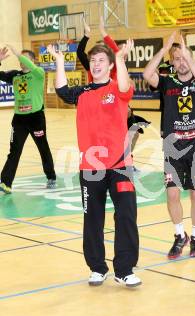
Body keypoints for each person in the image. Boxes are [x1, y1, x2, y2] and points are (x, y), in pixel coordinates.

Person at [49, 40, 142, 287]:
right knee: (93, 219)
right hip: (90, 168)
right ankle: (97, 267)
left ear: (110, 65)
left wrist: (121, 58)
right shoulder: (83, 93)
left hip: (120, 165)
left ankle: (124, 269)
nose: (96, 64)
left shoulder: (118, 89)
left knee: (126, 216)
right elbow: (62, 91)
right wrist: (60, 61)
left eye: (102, 60)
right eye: (93, 61)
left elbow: (125, 85)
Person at [143, 33, 195, 259]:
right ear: (172, 62)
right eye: (177, 59)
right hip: (173, 148)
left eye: (184, 58)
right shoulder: (167, 82)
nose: (181, 62)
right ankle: (179, 235)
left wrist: (188, 55)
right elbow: (147, 74)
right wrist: (165, 49)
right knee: (172, 194)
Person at [77, 17, 150, 161]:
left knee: (133, 131)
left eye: (102, 56)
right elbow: (80, 52)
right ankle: (102, 160)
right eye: (95, 57)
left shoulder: (117, 66)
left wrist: (104, 33)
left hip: (117, 103)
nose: (97, 62)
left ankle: (125, 157)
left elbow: (117, 52)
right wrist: (87, 35)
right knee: (101, 136)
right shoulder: (93, 68)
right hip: (100, 105)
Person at [0, 45, 56, 194]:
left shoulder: (39, 73)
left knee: (43, 147)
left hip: (36, 118)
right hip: (19, 120)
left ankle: (51, 176)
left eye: (24, 58)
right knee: (14, 151)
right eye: (20, 58)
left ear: (32, 60)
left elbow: (30, 64)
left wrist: (18, 53)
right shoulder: (15, 75)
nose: (21, 61)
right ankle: (6, 182)